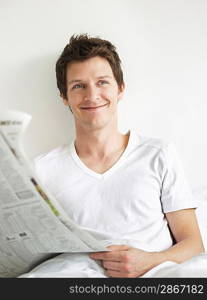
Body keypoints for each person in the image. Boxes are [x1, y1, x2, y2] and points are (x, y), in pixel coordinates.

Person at [34, 34, 204, 278]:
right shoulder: (43, 169)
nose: (92, 95)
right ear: (64, 97)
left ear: (120, 89)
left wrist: (150, 261)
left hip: (156, 276)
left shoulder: (158, 154)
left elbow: (194, 245)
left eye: (102, 82)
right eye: (78, 86)